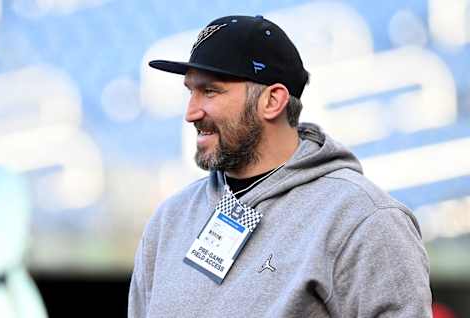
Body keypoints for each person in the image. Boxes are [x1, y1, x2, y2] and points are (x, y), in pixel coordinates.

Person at [128, 15, 432, 317]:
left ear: (273, 101)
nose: (191, 113)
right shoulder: (170, 219)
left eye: (209, 91)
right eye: (190, 91)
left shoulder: (363, 218)